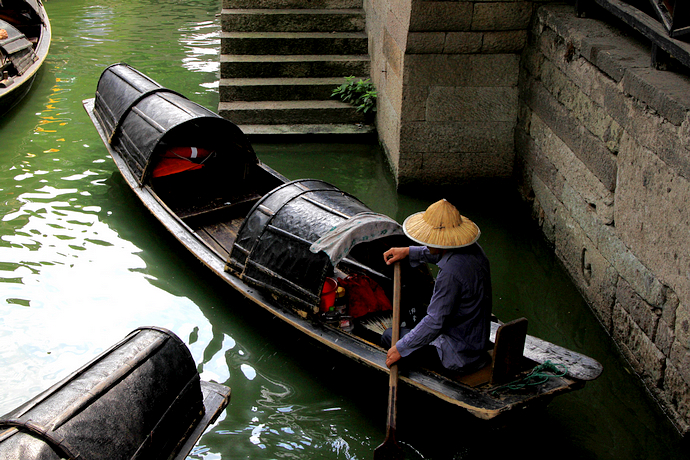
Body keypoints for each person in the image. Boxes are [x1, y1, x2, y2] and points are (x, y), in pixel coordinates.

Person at [381, 199, 492, 375]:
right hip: (475, 342)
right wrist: (409, 251)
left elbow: (434, 322)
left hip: (457, 355)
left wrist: (400, 348)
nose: (429, 242)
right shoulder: (475, 250)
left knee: (389, 336)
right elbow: (439, 252)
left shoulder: (450, 273)